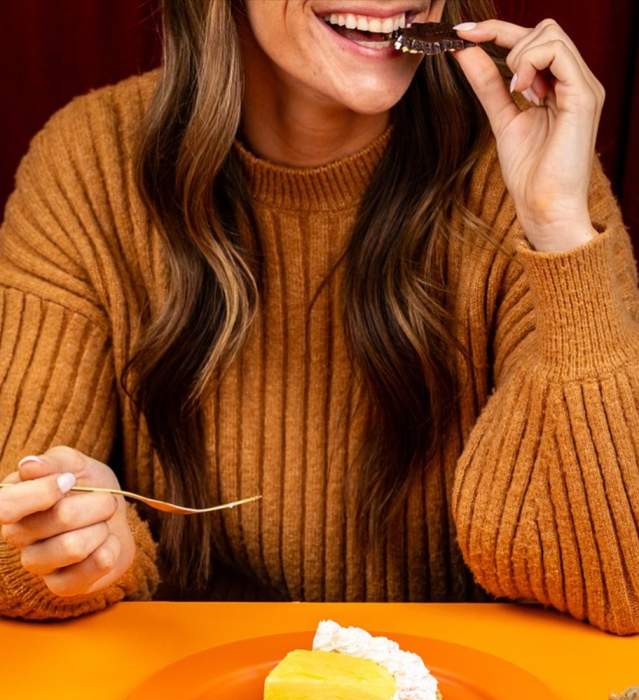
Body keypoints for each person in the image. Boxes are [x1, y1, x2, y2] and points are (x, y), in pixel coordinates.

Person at [0, 0, 637, 633]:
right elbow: (9, 542)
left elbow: (622, 584)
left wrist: (560, 231)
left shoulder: (532, 170)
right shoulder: (90, 165)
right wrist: (81, 547)